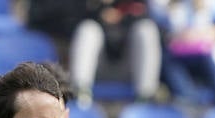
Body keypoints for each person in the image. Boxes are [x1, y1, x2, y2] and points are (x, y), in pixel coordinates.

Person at [28, 0, 162, 104]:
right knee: (88, 29)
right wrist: (98, 12)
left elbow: (152, 19)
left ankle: (146, 97)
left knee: (146, 29)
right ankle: (81, 95)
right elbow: (57, 21)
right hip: (96, 69)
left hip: (129, 67)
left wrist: (120, 17)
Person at [161, 0, 215, 106]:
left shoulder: (211, 5)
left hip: (204, 55)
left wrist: (196, 35)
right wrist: (186, 36)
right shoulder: (171, 7)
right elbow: (170, 37)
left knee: (208, 57)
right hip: (179, 56)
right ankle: (187, 101)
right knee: (168, 61)